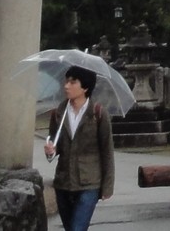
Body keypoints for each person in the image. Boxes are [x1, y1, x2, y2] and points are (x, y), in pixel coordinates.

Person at [44, 66, 115, 231]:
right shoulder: (58, 114)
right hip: (63, 182)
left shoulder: (98, 114)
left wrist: (107, 186)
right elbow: (55, 145)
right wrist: (50, 152)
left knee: (77, 228)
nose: (66, 86)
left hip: (89, 183)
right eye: (66, 81)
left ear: (85, 87)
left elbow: (107, 151)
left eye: (73, 82)